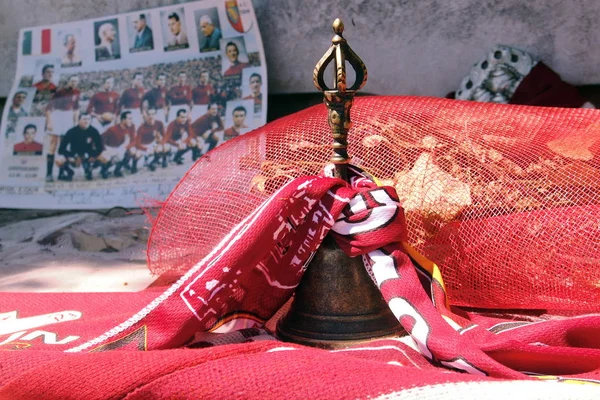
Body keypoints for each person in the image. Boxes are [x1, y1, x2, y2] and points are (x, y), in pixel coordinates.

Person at [45, 75, 81, 182]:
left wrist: (75, 123)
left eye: (76, 81)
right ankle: (49, 174)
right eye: (72, 81)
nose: (74, 83)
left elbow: (76, 109)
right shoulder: (60, 92)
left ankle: (61, 173)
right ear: (68, 81)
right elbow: (48, 109)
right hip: (57, 115)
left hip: (68, 117)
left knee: (64, 146)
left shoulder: (77, 92)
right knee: (52, 144)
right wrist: (50, 122)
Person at [55, 113, 103, 181]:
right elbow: (61, 149)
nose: (86, 121)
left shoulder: (94, 131)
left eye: (88, 119)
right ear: (79, 120)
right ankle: (69, 171)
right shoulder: (71, 131)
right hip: (75, 155)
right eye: (84, 119)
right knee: (59, 160)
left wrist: (93, 155)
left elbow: (100, 147)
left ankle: (90, 169)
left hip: (88, 154)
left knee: (103, 157)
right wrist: (73, 155)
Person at [97, 111, 136, 179]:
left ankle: (117, 170)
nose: (131, 120)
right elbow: (101, 138)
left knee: (130, 152)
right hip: (109, 147)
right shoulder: (113, 129)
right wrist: (103, 149)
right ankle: (104, 169)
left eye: (131, 118)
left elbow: (133, 140)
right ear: (123, 120)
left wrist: (128, 147)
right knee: (106, 159)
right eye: (129, 119)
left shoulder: (132, 126)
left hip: (120, 146)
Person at [134, 108, 165, 172]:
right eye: (149, 114)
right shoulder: (141, 128)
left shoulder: (159, 123)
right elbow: (137, 144)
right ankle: (134, 166)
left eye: (153, 114)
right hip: (143, 146)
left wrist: (160, 142)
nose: (151, 116)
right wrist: (146, 149)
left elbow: (165, 136)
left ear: (156, 115)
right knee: (138, 156)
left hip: (152, 144)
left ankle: (153, 162)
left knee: (162, 147)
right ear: (146, 115)